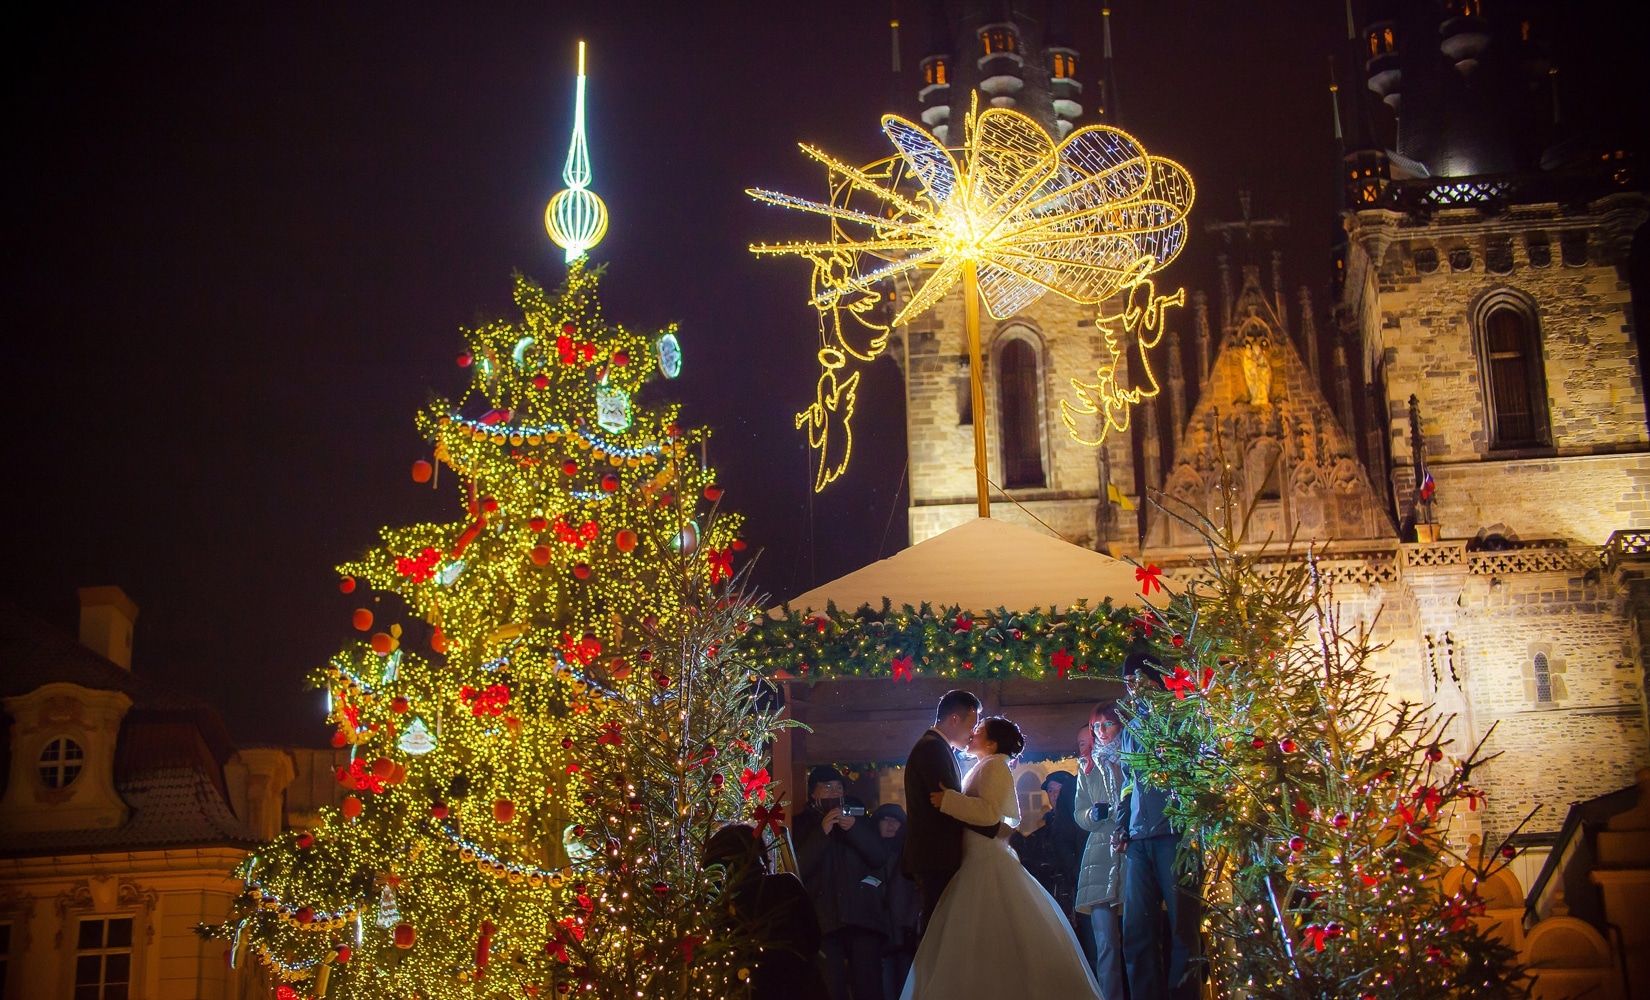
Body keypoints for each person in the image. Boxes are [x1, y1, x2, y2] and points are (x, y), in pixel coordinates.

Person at [901, 716, 1103, 1000]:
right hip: (976, 855)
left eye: (979, 731)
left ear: (992, 743)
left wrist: (948, 801)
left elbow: (990, 814)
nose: (972, 734)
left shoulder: (995, 766)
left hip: (985, 857)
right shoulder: (986, 765)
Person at [1114, 656, 1203, 1000]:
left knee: (1183, 927)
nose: (1132, 689)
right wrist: (1122, 826)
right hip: (1138, 840)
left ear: (1155, 679)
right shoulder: (1129, 729)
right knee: (1136, 929)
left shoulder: (1182, 716)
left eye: (1137, 680)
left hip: (1176, 836)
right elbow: (1127, 785)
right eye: (1126, 682)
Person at [901, 689, 999, 936]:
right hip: (936, 856)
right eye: (972, 724)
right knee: (938, 930)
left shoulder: (936, 747)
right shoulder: (932, 749)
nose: (973, 733)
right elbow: (947, 804)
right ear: (954, 719)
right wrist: (992, 826)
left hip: (936, 857)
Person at [704, 823, 829, 1000]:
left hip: (751, 990)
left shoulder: (725, 905)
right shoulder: (787, 884)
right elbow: (814, 936)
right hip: (804, 986)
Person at [794, 765, 888, 1000]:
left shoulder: (859, 818)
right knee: (830, 988)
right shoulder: (801, 824)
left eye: (838, 787)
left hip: (862, 917)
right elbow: (798, 868)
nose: (834, 793)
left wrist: (854, 829)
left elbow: (879, 856)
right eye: (826, 788)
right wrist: (822, 831)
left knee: (869, 988)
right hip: (824, 921)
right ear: (813, 793)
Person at [1074, 703, 1127, 1000]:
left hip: (1129, 851)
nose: (1102, 731)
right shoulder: (1087, 766)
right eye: (1097, 726)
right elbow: (1079, 812)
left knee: (1136, 936)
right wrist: (1093, 816)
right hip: (1098, 854)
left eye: (1107, 724)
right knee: (1105, 943)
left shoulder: (1132, 758)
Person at [1013, 767, 1087, 931]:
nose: (1055, 795)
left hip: (1079, 901)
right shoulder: (1039, 836)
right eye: (1051, 791)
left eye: (1060, 790)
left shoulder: (1083, 826)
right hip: (1051, 903)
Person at [872, 803, 919, 1000]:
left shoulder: (910, 855)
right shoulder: (868, 853)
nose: (891, 824)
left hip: (904, 937)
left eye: (896, 820)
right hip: (879, 938)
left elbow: (915, 895)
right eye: (886, 819)